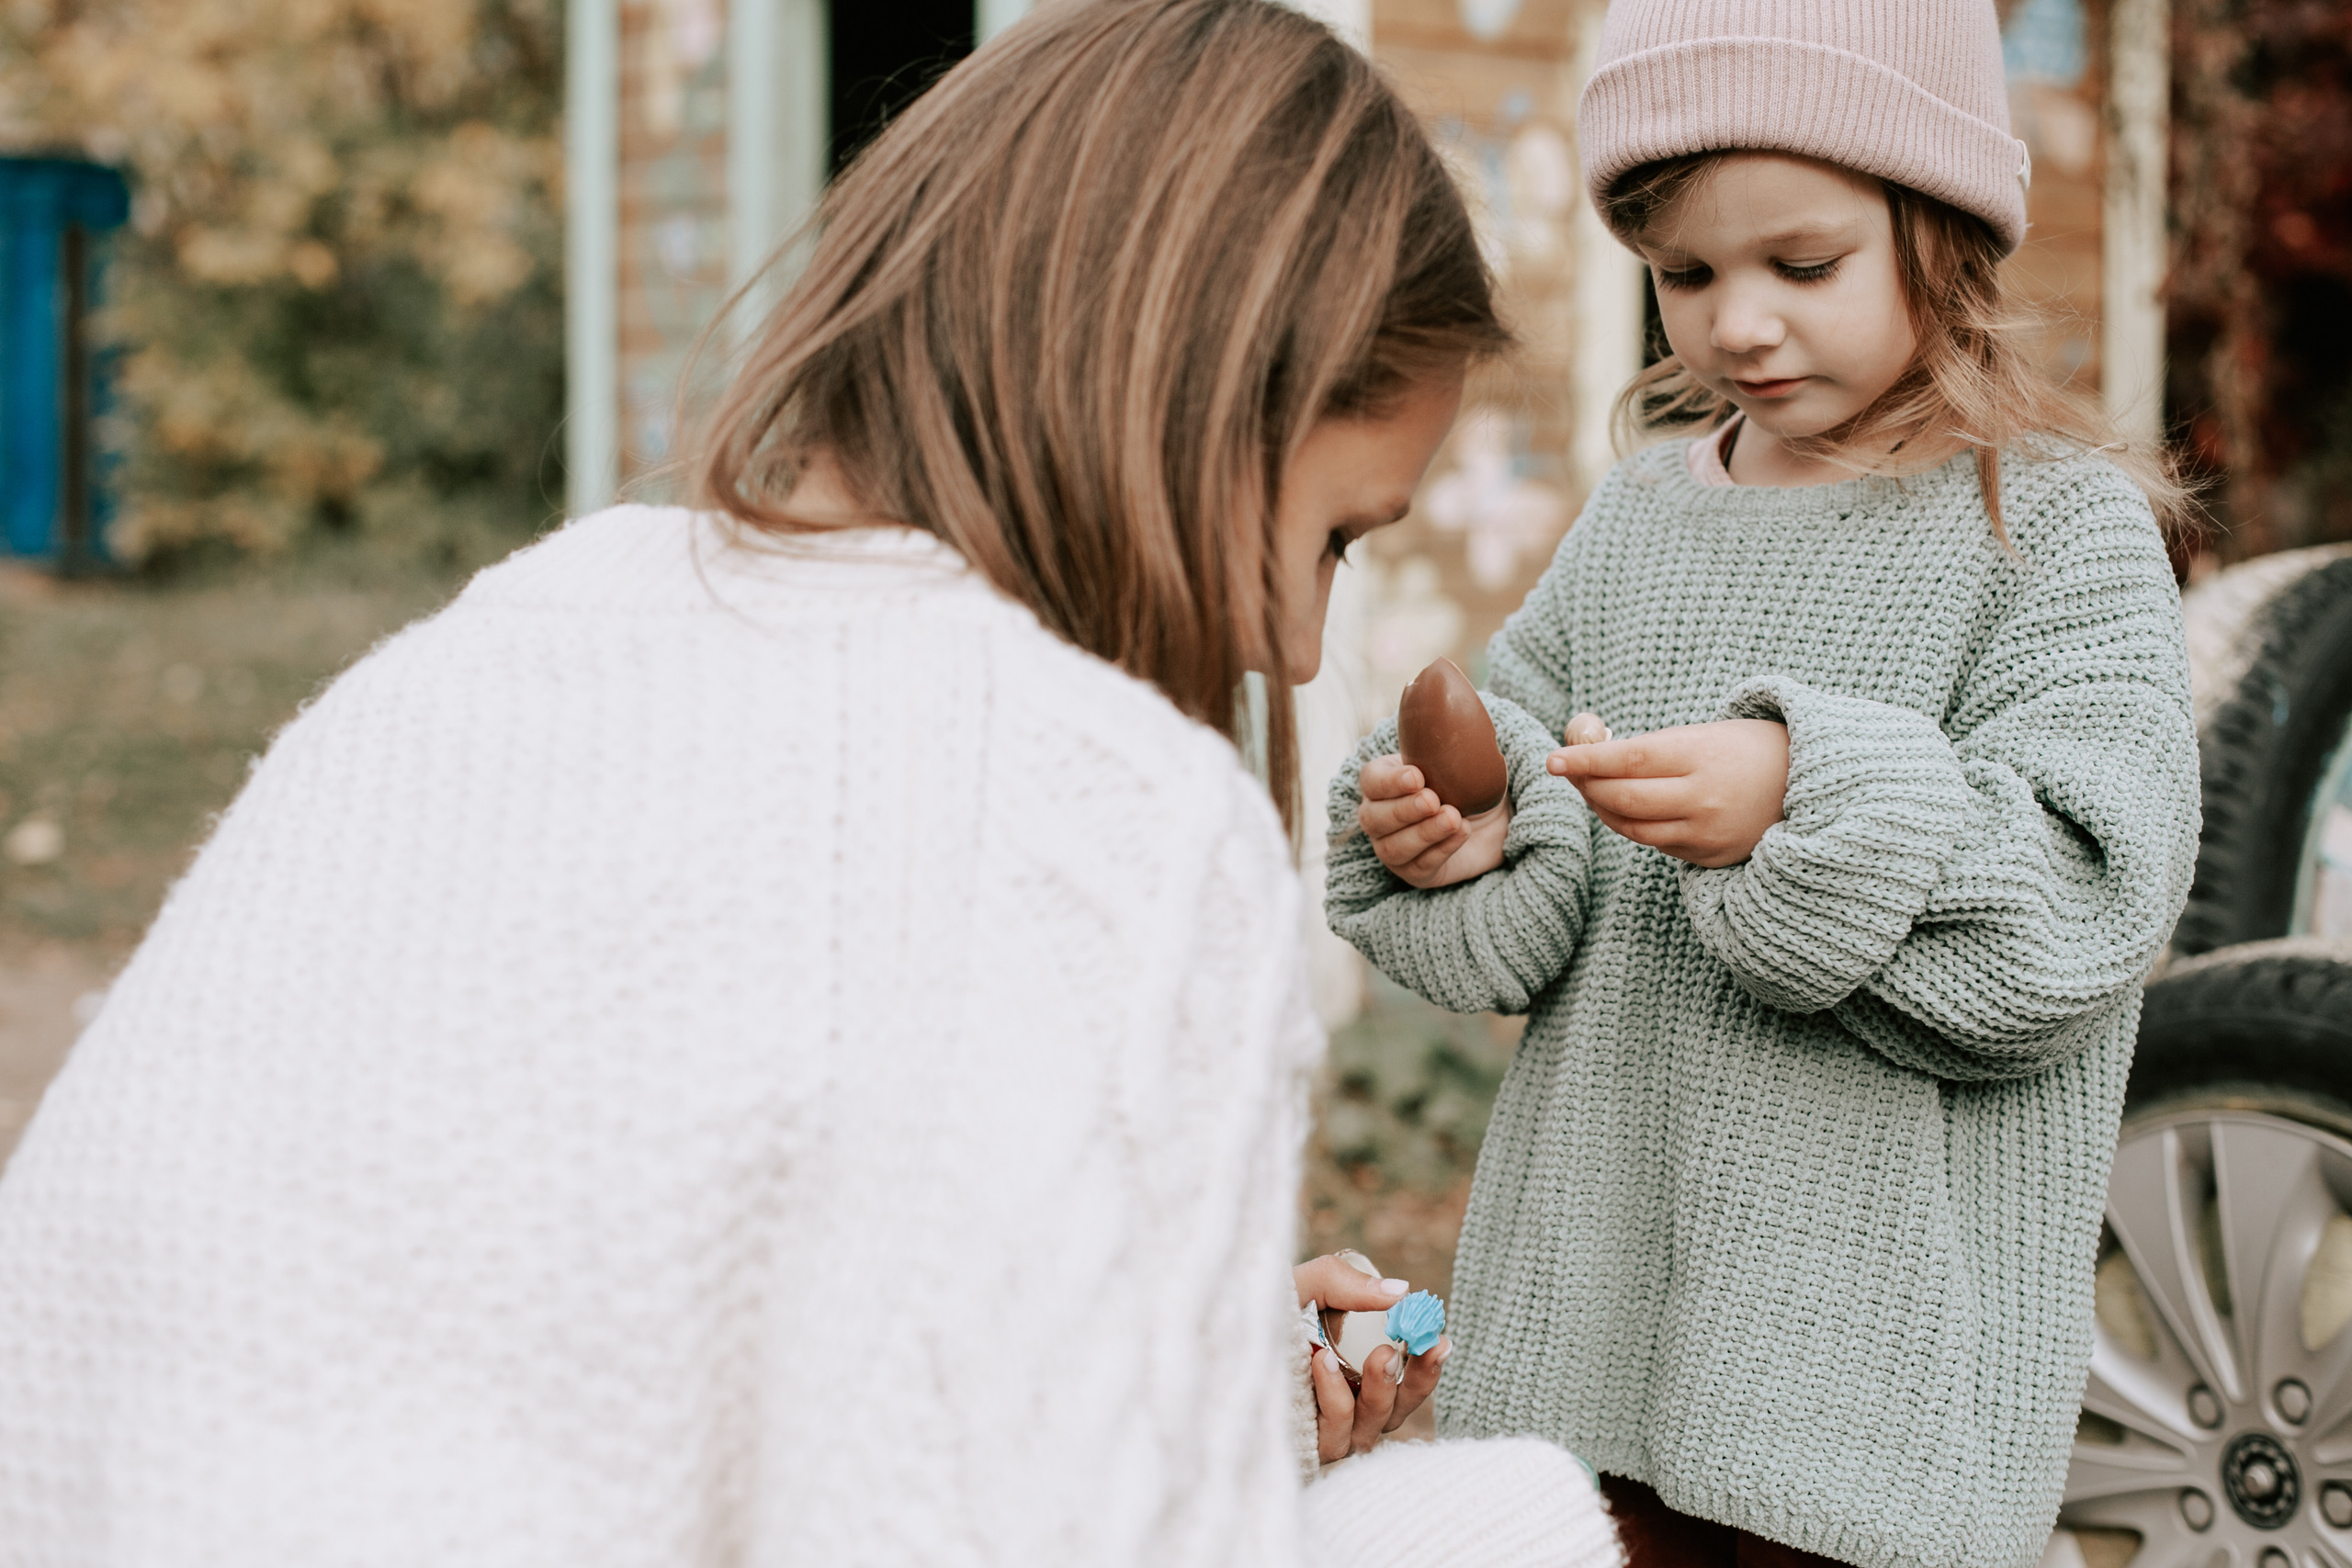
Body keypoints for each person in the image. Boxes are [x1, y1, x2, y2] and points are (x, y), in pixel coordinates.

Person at [0, 4, 1621, 1565]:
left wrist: (1194, 1393)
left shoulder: (505, 639)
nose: (1292, 635)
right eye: (1330, 533)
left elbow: (546, 1346)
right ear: (1184, 409)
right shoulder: (1095, 808)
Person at [1329, 3, 2203, 1566]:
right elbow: (1548, 830)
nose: (1736, 325)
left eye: (1802, 267)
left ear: (1940, 233)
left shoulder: (2056, 536)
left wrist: (1807, 803)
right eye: (1686, 274)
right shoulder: (1641, 524)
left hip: (1872, 1393)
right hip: (1599, 1324)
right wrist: (1473, 836)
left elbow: (2083, 900)